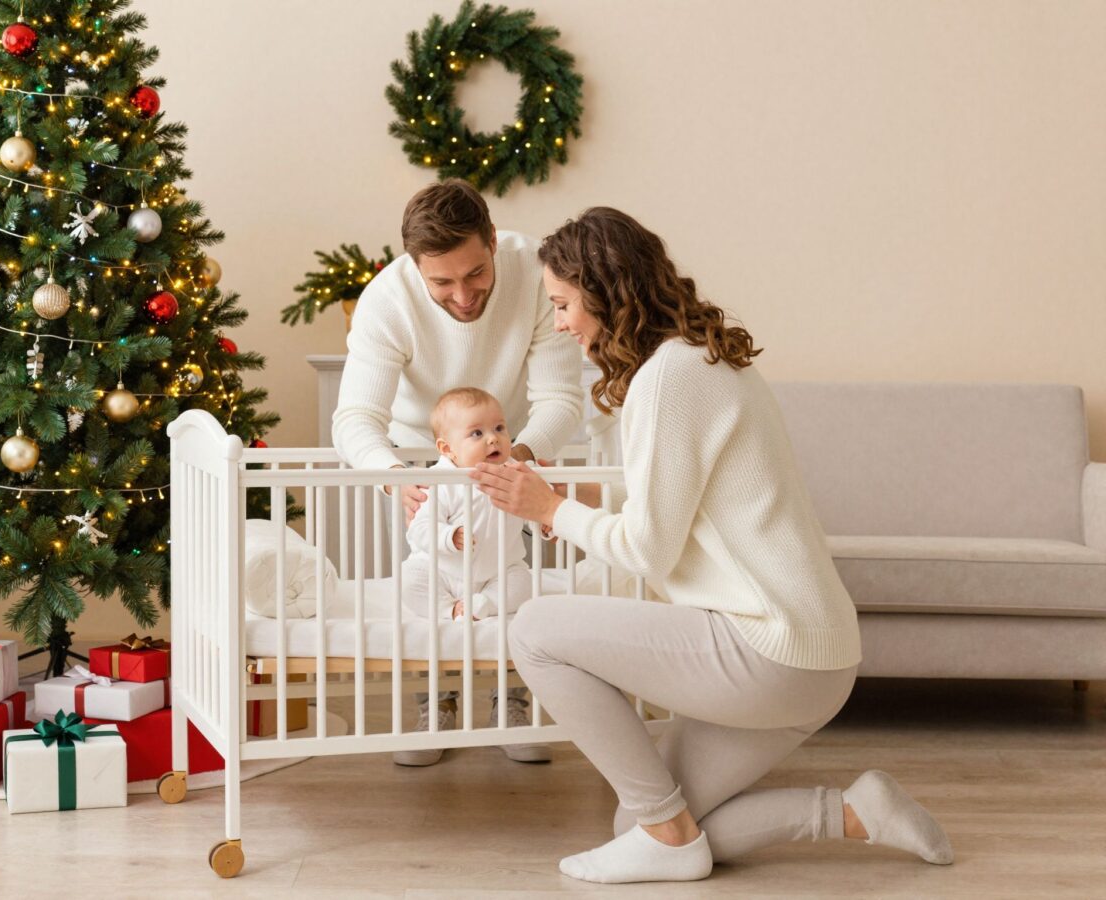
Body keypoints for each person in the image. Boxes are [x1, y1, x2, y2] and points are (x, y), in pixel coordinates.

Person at [471, 207, 953, 884]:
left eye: (563, 304)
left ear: (603, 289)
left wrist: (548, 509)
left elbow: (647, 551)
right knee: (645, 821)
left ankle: (668, 835)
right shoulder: (703, 360)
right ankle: (855, 813)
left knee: (535, 629)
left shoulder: (668, 377)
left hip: (768, 648)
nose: (560, 324)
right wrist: (560, 505)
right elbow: (674, 515)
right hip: (817, 653)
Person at [332, 179, 583, 766]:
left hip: (509, 443)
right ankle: (435, 702)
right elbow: (356, 418)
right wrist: (395, 476)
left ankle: (512, 697)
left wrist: (519, 457)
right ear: (414, 266)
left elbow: (560, 398)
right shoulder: (387, 302)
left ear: (493, 241)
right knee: (433, 579)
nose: (463, 296)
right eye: (441, 282)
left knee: (510, 575)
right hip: (422, 453)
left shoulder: (533, 275)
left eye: (475, 273)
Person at [402, 387, 532, 624]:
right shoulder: (439, 482)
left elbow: (534, 505)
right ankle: (449, 609)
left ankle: (484, 603)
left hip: (497, 572)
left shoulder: (516, 473)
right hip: (443, 571)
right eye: (477, 433)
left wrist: (546, 525)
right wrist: (449, 537)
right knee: (410, 580)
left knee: (522, 581)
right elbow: (418, 529)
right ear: (447, 449)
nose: (493, 438)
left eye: (499, 428)